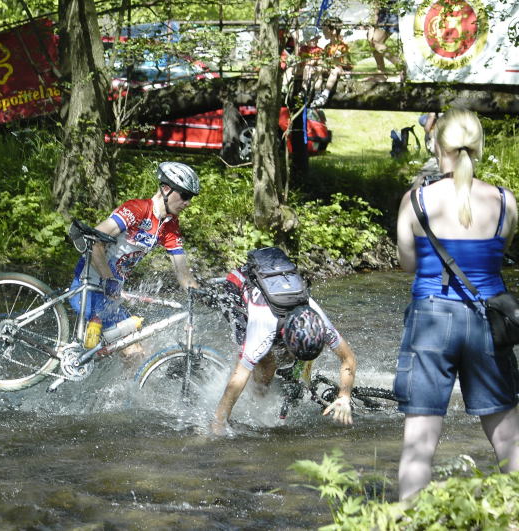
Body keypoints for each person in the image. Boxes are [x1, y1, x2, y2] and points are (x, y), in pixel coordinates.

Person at [394, 108, 519, 500]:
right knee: (509, 441)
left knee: (419, 447)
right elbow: (499, 257)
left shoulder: (416, 200)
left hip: (430, 319)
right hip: (488, 322)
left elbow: (408, 263)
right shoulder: (505, 201)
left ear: (435, 144)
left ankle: (408, 524)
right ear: (479, 147)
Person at [210, 254, 358, 435]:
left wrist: (344, 396)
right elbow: (239, 377)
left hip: (279, 292)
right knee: (266, 362)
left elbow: (348, 358)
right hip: (237, 285)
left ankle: (288, 373)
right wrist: (219, 422)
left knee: (285, 357)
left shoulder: (319, 321)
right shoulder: (264, 326)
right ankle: (258, 396)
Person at [69, 161, 200, 363]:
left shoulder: (169, 225)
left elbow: (182, 270)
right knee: (135, 355)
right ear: (166, 189)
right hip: (89, 286)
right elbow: (94, 241)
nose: (188, 202)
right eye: (185, 195)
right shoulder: (137, 209)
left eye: (190, 197)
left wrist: (200, 294)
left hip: (110, 294)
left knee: (136, 355)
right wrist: (108, 278)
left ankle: (118, 392)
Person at [311, 17, 353, 108]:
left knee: (334, 69)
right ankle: (317, 94)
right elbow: (325, 61)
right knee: (318, 68)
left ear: (333, 31)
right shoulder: (327, 47)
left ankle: (325, 94)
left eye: (325, 29)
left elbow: (346, 64)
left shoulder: (343, 46)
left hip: (339, 70)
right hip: (329, 68)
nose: (323, 32)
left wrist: (338, 60)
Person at [366, 0, 400, 81]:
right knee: (373, 41)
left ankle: (402, 67)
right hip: (386, 12)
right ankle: (381, 72)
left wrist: (374, 23)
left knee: (375, 41)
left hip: (390, 13)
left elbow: (376, 3)